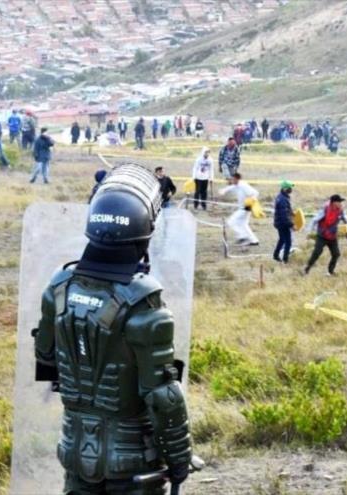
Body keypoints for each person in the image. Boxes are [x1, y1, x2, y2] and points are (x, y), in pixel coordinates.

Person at [33, 165, 192, 495]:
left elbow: (46, 359)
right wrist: (179, 459)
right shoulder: (144, 304)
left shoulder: (59, 289)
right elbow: (162, 396)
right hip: (132, 462)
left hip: (74, 449)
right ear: (144, 231)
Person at [304, 194, 347, 276]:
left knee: (336, 254)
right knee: (317, 252)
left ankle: (331, 271)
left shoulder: (340, 210)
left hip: (332, 236)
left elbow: (344, 217)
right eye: (339, 201)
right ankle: (307, 268)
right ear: (334, 202)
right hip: (322, 236)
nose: (341, 203)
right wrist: (309, 231)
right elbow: (314, 220)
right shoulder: (325, 209)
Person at [220, 173, 259, 246]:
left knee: (231, 222)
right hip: (243, 208)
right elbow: (231, 187)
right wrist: (223, 191)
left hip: (245, 208)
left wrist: (250, 203)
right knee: (244, 224)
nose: (231, 180)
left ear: (237, 179)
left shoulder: (243, 185)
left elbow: (255, 193)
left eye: (233, 179)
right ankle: (254, 240)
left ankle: (242, 236)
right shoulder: (237, 185)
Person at [273, 180, 294, 264]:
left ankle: (276, 255)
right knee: (288, 241)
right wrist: (291, 225)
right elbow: (284, 215)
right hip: (283, 223)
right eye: (290, 187)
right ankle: (285, 260)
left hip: (279, 222)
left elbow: (285, 210)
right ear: (285, 188)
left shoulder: (281, 197)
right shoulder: (283, 199)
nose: (291, 189)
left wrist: (292, 213)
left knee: (282, 239)